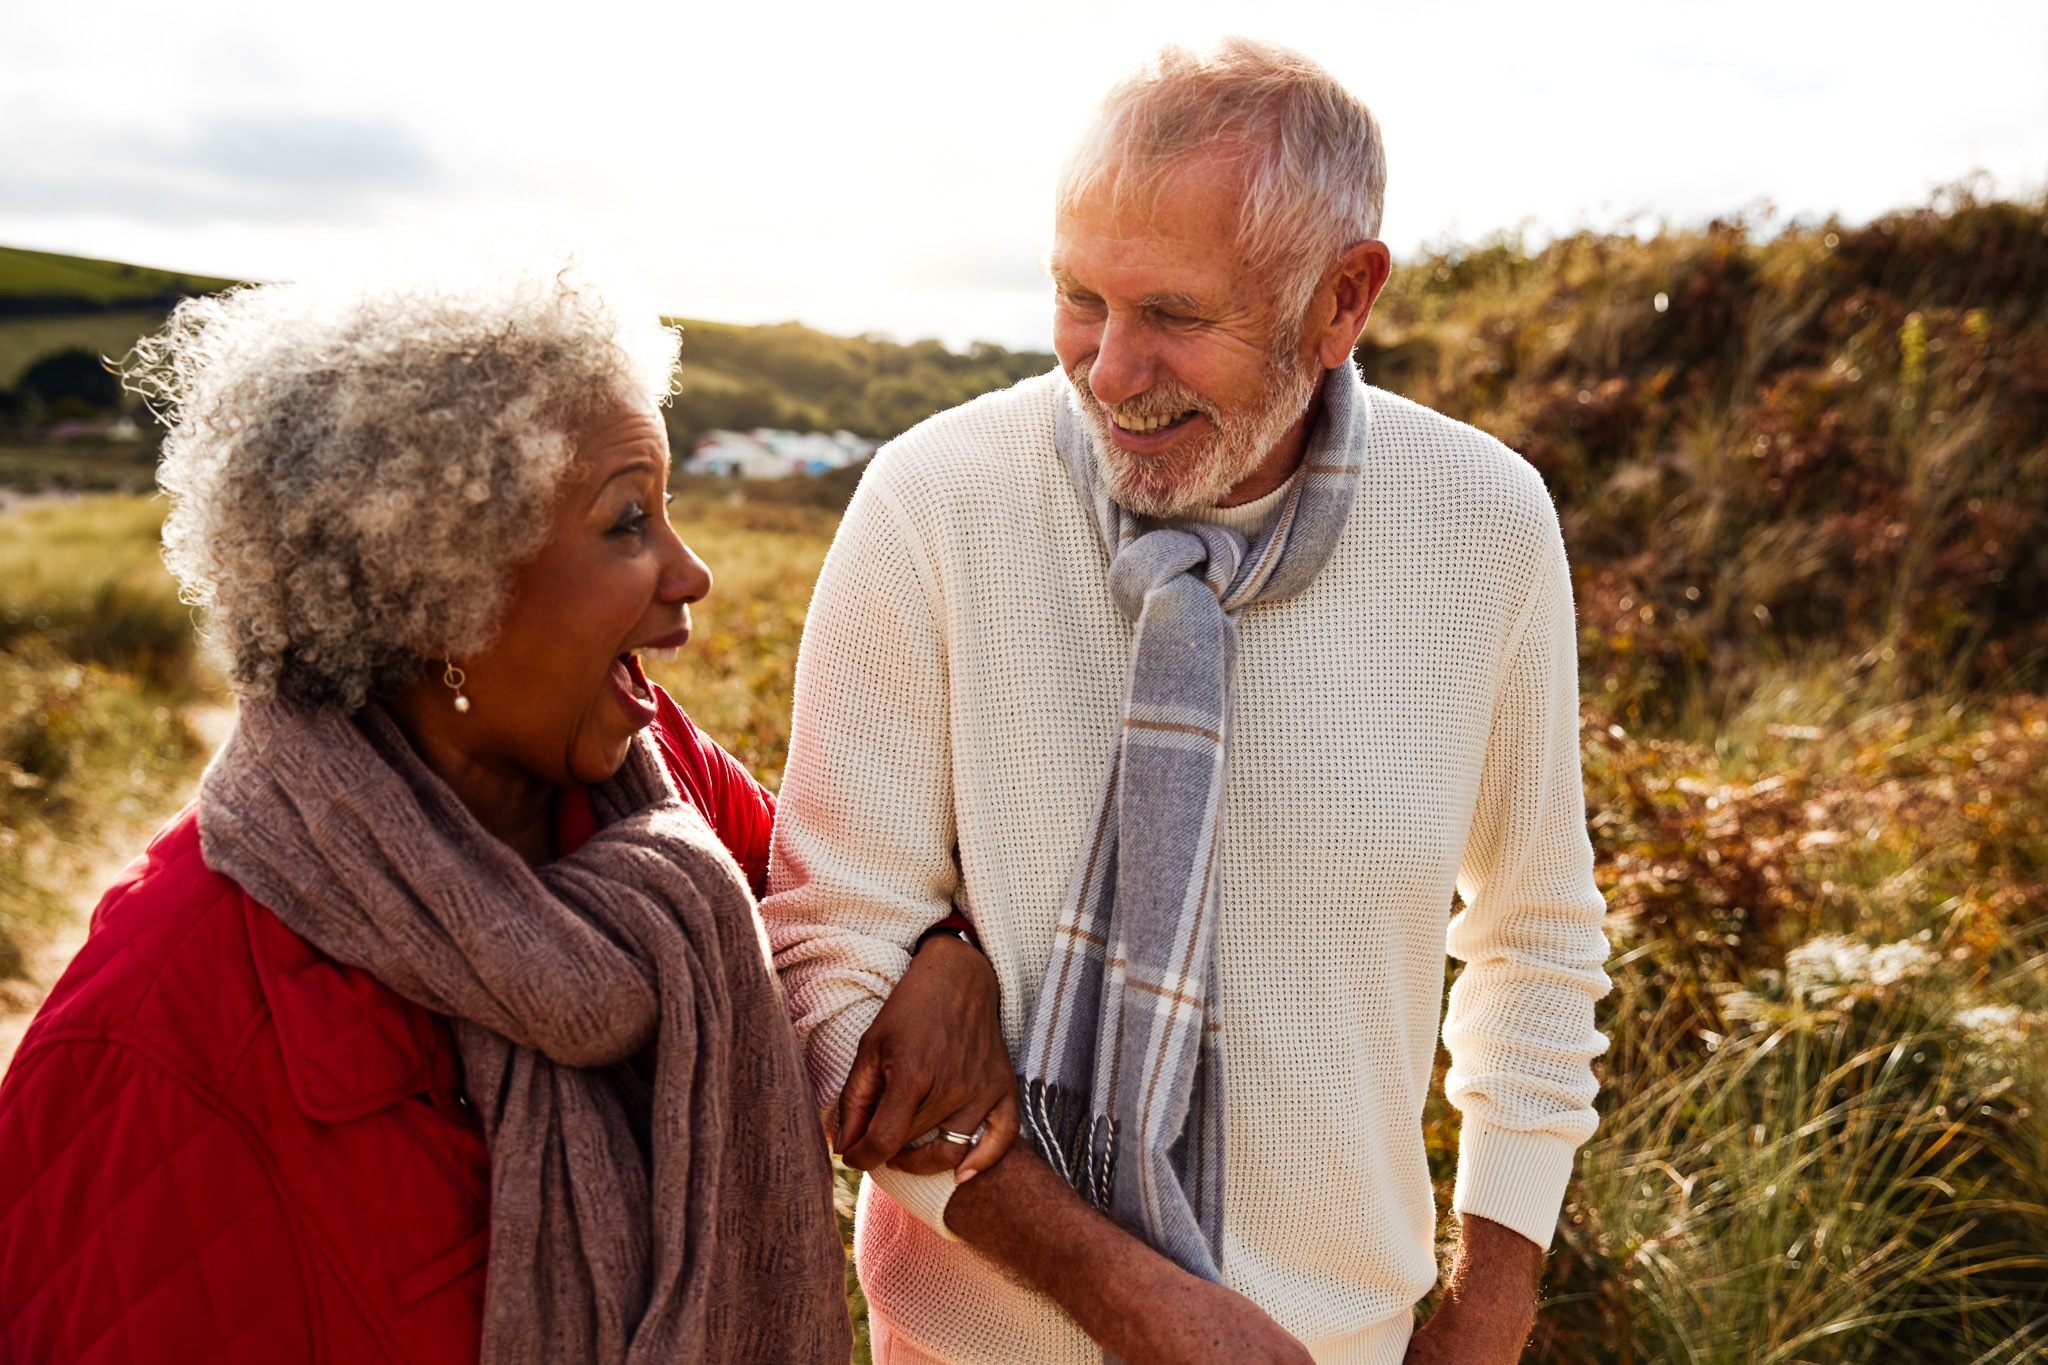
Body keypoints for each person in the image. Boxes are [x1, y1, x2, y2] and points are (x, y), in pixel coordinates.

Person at [762, 38, 1611, 1365]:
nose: (1108, 369)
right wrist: (1123, 1291)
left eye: (1174, 314)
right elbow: (827, 964)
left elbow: (1538, 938)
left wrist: (1489, 1304)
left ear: (1341, 300)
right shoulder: (936, 504)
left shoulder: (1486, 527)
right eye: (1078, 297)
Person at [0, 250, 851, 1365]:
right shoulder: (149, 1043)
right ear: (436, 593)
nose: (689, 574)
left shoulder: (650, 773)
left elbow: (837, 910)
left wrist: (934, 956)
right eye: (626, 520)